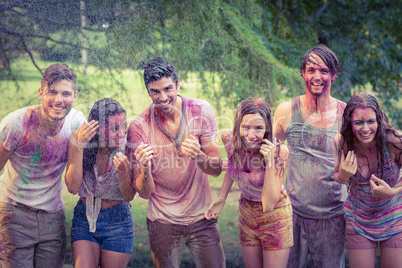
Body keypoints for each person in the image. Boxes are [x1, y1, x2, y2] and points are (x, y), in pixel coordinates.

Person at [127, 57, 225, 268]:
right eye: (155, 91)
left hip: (202, 218)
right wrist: (144, 168)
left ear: (178, 85)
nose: (162, 97)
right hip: (163, 221)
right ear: (148, 91)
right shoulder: (138, 127)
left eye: (168, 89)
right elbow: (143, 193)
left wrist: (199, 156)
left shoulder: (200, 110)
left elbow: (216, 169)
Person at [0, 64, 86, 267]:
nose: (59, 100)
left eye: (66, 93)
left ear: (75, 96)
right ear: (41, 93)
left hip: (52, 217)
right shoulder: (16, 123)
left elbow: (74, 187)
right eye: (52, 92)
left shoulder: (76, 123)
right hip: (14, 213)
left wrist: (79, 145)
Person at [274, 45, 347, 268]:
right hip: (291, 215)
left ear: (333, 75)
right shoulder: (286, 111)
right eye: (311, 69)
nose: (317, 76)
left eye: (324, 71)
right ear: (303, 73)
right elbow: (268, 155)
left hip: (332, 217)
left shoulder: (345, 114)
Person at [205, 97, 293, 268]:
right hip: (246, 213)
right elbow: (232, 166)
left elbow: (268, 205)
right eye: (246, 127)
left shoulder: (279, 152)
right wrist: (222, 198)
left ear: (267, 128)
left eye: (258, 128)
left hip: (275, 217)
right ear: (238, 125)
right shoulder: (231, 140)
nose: (251, 135)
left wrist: (269, 163)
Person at [333, 92, 402, 268]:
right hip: (359, 221)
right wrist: (344, 175)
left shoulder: (394, 140)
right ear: (350, 122)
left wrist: (392, 191)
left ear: (378, 120)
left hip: (394, 217)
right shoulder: (342, 142)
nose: (365, 128)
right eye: (359, 122)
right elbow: (337, 177)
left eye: (371, 121)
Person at [65, 98, 136, 268]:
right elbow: (73, 188)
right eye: (114, 129)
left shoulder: (127, 147)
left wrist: (122, 172)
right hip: (84, 218)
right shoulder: (78, 139)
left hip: (118, 221)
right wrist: (80, 146)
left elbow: (128, 196)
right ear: (96, 129)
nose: (121, 133)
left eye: (123, 126)